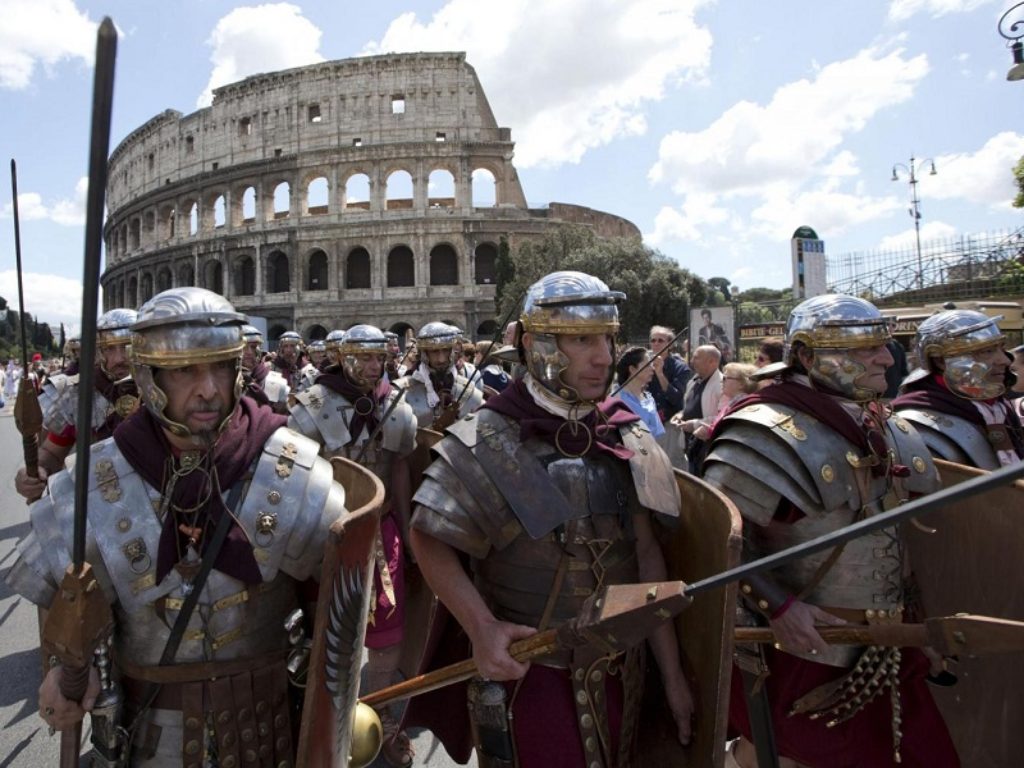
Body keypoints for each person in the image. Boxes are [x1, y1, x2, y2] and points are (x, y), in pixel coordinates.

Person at [6, 287, 350, 766]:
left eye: (220, 368)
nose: (208, 389)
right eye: (186, 370)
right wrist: (63, 667)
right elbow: (65, 594)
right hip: (149, 730)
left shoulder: (293, 470)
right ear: (149, 378)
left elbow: (332, 610)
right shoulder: (95, 478)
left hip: (271, 724)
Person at [407, 270, 694, 768]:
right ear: (538, 344)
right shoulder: (488, 438)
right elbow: (429, 535)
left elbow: (649, 561)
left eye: (607, 337)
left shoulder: (625, 437)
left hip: (626, 671)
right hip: (535, 675)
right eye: (583, 339)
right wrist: (481, 628)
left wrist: (672, 677)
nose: (604, 356)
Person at [702, 294, 958, 768]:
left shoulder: (889, 426)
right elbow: (717, 543)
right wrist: (778, 607)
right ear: (805, 355)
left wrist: (918, 624)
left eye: (881, 346)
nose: (886, 358)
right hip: (803, 650)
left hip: (888, 647)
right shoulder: (761, 430)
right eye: (863, 349)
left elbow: (899, 541)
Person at [286, 323, 418, 767]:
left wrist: (407, 527)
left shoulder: (396, 404)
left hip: (382, 532)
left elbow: (399, 468)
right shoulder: (312, 406)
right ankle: (323, 727)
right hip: (326, 531)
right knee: (325, 632)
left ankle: (378, 719)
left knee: (387, 633)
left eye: (378, 357)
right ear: (343, 357)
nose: (371, 366)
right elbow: (296, 478)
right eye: (362, 357)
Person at [16, 309, 141, 503]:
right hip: (99, 503)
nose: (118, 359)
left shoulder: (168, 388)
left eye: (127, 346)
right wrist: (37, 469)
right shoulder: (78, 393)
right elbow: (52, 452)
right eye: (109, 348)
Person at [893, 309, 1022, 468]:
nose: (1004, 360)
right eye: (987, 351)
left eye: (1001, 348)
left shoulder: (999, 407)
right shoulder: (915, 424)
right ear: (941, 361)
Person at [399, 322, 484, 430]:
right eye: (434, 352)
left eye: (445, 350)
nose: (441, 359)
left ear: (452, 351)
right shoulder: (402, 392)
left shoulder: (469, 390)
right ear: (424, 354)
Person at [670, 344, 723, 474]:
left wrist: (694, 424)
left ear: (712, 362)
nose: (692, 361)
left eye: (697, 358)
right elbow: (690, 405)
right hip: (691, 445)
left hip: (706, 447)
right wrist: (681, 414)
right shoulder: (693, 381)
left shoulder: (721, 385)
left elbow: (722, 417)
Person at [693, 362, 756, 442]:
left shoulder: (743, 405)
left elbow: (735, 434)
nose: (721, 381)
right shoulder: (734, 403)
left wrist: (709, 432)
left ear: (742, 384)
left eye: (725, 378)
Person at [615, 345, 665, 438]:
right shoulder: (618, 399)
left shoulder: (648, 398)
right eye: (648, 364)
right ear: (632, 369)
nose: (653, 368)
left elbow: (657, 435)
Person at [240, 323, 290, 413]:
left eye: (253, 347)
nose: (249, 352)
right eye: (243, 348)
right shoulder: (226, 381)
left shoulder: (275, 382)